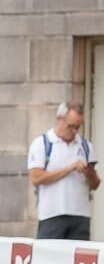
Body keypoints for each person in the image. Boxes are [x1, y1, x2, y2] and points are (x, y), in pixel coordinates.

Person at [29, 100, 97, 240]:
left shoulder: (85, 146)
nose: (74, 131)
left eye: (78, 127)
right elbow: (36, 178)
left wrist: (89, 172)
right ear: (59, 118)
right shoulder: (42, 143)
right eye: (71, 126)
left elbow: (95, 184)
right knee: (48, 258)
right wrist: (70, 168)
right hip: (52, 213)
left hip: (80, 215)